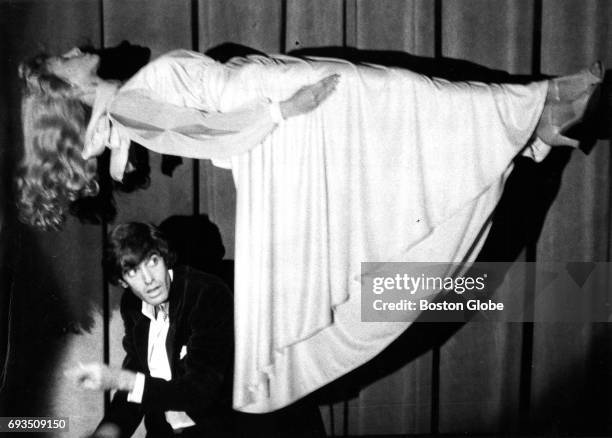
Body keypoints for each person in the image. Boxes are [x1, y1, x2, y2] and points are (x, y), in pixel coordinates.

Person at [20, 47, 604, 413]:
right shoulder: (126, 110)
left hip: (280, 101)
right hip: (286, 115)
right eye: (59, 60)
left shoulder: (123, 106)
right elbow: (210, 132)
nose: (72, 49)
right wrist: (286, 110)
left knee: (411, 109)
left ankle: (540, 119)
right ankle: (540, 115)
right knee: (405, 105)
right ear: (63, 90)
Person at [67, 222, 235, 437]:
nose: (149, 280)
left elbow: (200, 391)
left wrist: (120, 379)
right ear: (122, 281)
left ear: (165, 258)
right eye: (133, 271)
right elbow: (137, 380)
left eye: (152, 262)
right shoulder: (133, 304)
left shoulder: (207, 294)